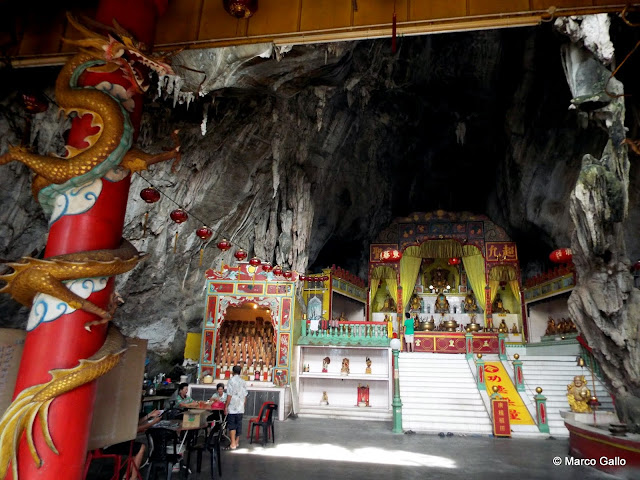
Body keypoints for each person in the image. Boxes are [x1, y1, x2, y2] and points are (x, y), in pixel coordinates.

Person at [102, 409, 162, 480]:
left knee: (134, 448)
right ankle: (133, 477)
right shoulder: (119, 413)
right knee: (141, 447)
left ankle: (126, 476)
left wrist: (149, 416)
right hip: (109, 445)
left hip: (110, 442)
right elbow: (135, 429)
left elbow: (134, 425)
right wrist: (153, 423)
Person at [224, 365, 248, 450]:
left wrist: (226, 406)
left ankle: (233, 443)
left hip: (232, 407)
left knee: (232, 424)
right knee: (239, 424)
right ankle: (237, 441)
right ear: (240, 372)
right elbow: (245, 395)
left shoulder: (231, 381)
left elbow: (229, 395)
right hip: (240, 407)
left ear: (232, 372)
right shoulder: (243, 381)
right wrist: (243, 405)